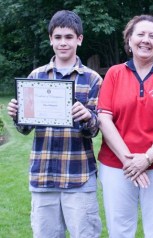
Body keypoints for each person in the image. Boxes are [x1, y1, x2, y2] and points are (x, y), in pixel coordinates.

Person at [7, 10, 102, 238]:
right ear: (50, 39)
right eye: (58, 37)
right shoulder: (36, 76)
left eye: (69, 37)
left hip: (78, 175)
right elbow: (25, 128)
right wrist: (17, 115)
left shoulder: (92, 79)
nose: (63, 43)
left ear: (79, 39)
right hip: (43, 175)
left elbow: (97, 128)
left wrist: (88, 117)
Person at [97, 14, 153, 238]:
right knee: (119, 229)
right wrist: (130, 160)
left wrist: (148, 157)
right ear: (129, 40)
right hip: (117, 164)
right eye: (140, 34)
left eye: (152, 36)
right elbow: (104, 119)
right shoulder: (114, 73)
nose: (146, 40)